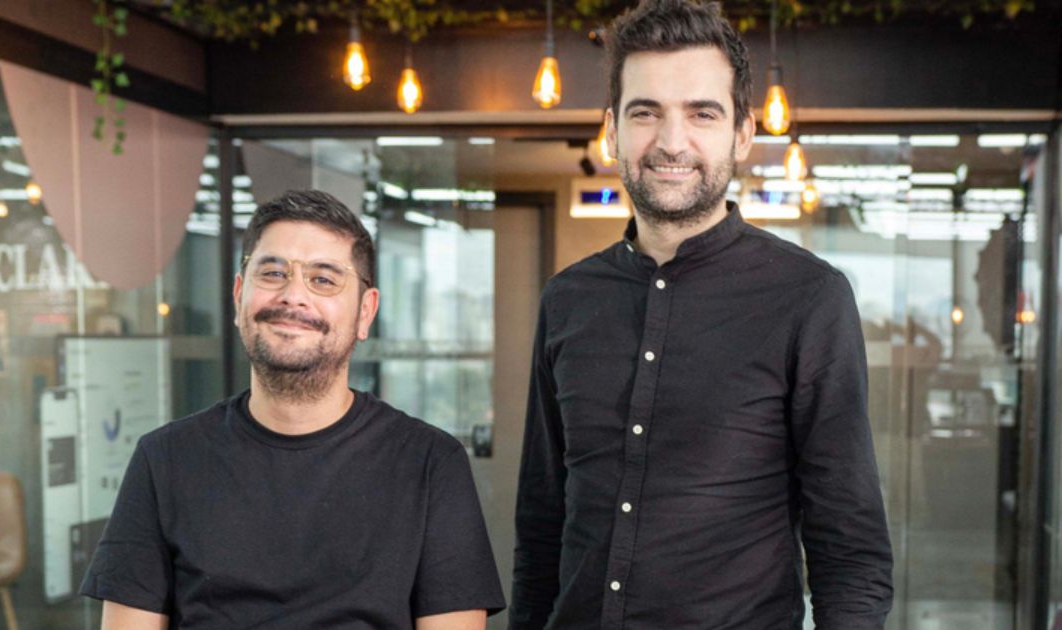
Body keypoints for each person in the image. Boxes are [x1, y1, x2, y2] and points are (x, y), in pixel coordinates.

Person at [509, 1, 893, 628]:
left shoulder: (809, 298)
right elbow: (542, 525)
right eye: (646, 113)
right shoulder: (566, 300)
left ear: (742, 131)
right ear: (611, 130)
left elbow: (849, 552)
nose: (670, 141)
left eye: (701, 113)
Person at [81, 190, 505, 629]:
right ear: (239, 295)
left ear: (365, 311)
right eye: (273, 272)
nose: (292, 296)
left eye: (323, 279)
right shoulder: (165, 459)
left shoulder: (429, 463)